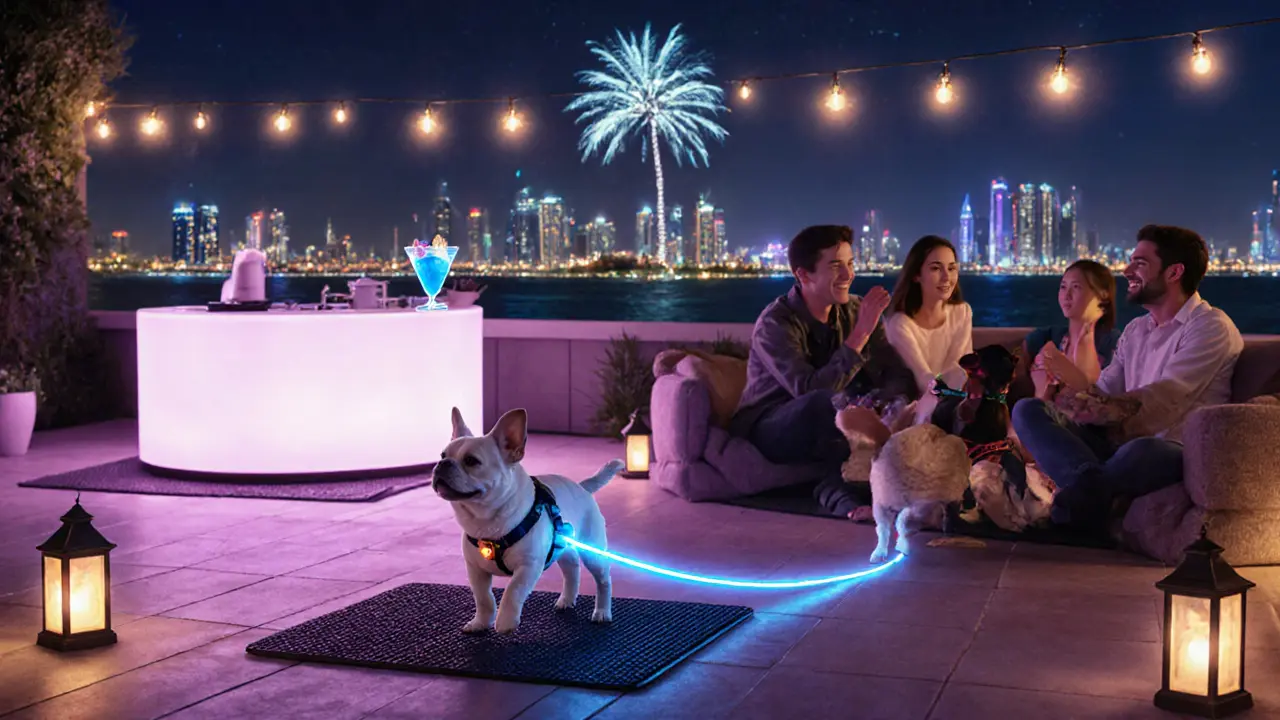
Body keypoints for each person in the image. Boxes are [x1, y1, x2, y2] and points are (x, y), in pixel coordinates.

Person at [1012, 225, 1243, 531]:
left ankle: (1077, 503)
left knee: (1144, 450)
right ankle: (1092, 493)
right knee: (1028, 410)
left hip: (1170, 450)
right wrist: (1072, 405)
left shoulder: (1210, 327)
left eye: (1140, 264)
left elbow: (1163, 401)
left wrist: (1092, 407)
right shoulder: (1136, 331)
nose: (1127, 270)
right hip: (1117, 447)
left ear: (1174, 273)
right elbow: (1104, 390)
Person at [731, 225, 916, 519]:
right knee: (823, 404)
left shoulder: (854, 310)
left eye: (850, 264)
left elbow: (896, 371)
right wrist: (860, 335)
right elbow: (809, 390)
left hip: (843, 416)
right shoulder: (775, 323)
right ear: (804, 275)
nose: (848, 275)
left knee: (906, 400)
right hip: (775, 424)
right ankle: (840, 491)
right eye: (835, 266)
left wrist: (889, 402)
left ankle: (873, 487)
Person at [882, 236, 973, 418]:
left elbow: (958, 368)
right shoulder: (900, 323)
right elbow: (922, 379)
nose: (947, 277)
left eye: (952, 268)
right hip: (913, 408)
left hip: (954, 402)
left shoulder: (961, 313)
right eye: (935, 269)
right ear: (916, 275)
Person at [1027, 259, 1121, 401]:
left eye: (1076, 287)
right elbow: (1040, 402)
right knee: (1023, 409)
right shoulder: (1048, 338)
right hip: (1050, 417)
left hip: (1094, 418)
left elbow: (1101, 398)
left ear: (1102, 294)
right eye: (1063, 287)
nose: (1066, 295)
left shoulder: (1113, 343)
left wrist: (1087, 331)